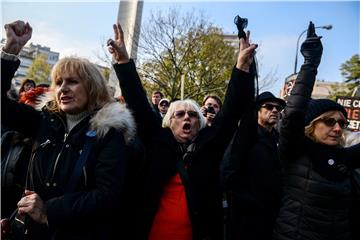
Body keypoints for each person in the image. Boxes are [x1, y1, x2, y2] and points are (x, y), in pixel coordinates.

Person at [107, 22, 258, 240]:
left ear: (201, 123)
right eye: (180, 114)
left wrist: (242, 67)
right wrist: (123, 61)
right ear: (168, 122)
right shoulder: (156, 140)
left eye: (193, 114)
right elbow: (138, 102)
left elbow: (232, 109)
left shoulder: (211, 144)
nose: (187, 117)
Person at [1, 20, 136, 240]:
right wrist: (10, 52)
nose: (63, 88)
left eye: (72, 81)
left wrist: (49, 211)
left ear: (92, 87)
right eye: (59, 82)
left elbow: (106, 195)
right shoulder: (43, 122)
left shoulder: (109, 133)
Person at [273, 22, 360, 240]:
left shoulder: (346, 158)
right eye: (329, 122)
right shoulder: (296, 151)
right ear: (313, 125)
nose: (338, 128)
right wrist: (310, 64)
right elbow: (292, 115)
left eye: (342, 123)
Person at [220, 91, 285, 240]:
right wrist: (250, 202)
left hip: (272, 217)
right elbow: (227, 173)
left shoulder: (278, 139)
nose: (274, 110)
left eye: (278, 108)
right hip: (246, 220)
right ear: (257, 111)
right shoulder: (244, 136)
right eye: (269, 106)